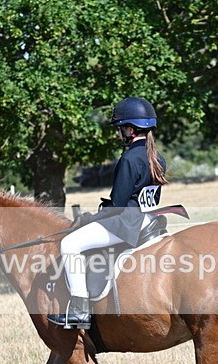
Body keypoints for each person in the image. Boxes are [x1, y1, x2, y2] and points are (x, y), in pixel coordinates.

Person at [47, 97, 168, 329]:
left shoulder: (129, 158)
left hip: (128, 223)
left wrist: (90, 219)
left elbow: (118, 205)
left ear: (130, 130)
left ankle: (80, 309)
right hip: (150, 219)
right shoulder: (157, 157)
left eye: (121, 128)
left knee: (70, 244)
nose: (119, 133)